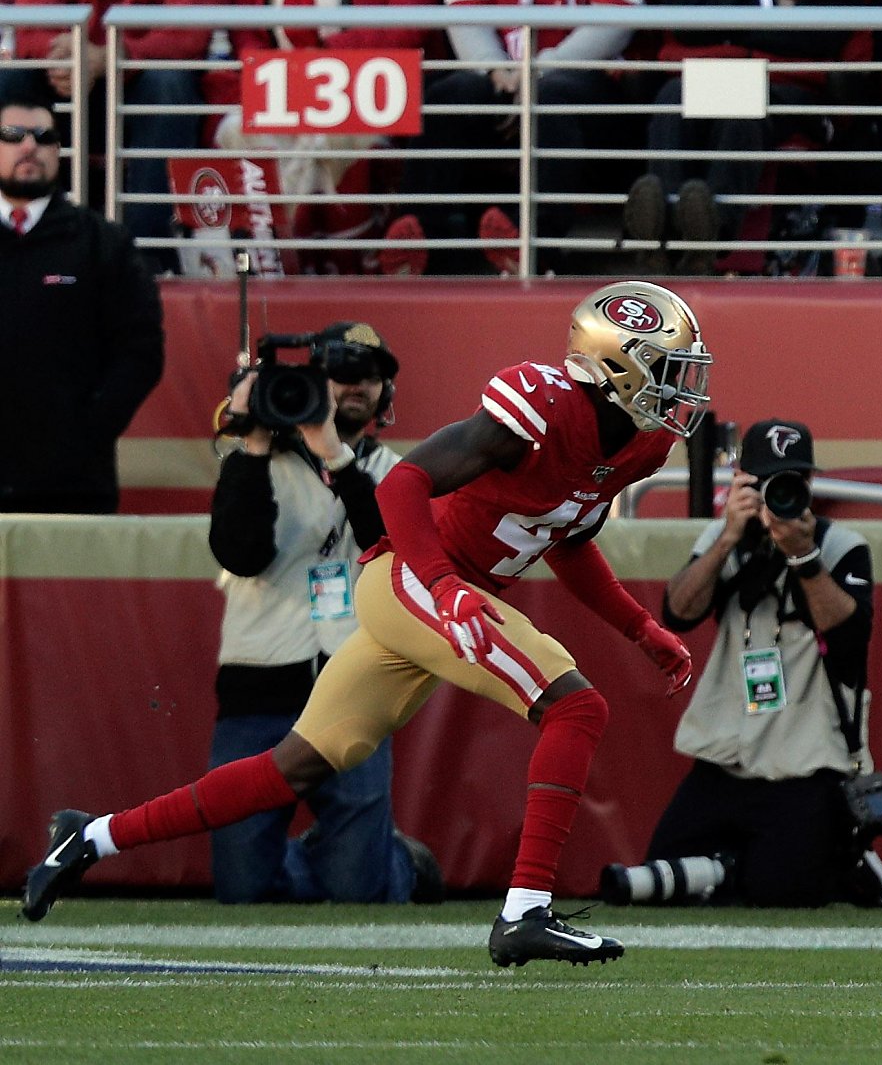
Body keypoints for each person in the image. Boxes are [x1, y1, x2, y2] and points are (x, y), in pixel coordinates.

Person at [23, 281, 713, 969]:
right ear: (613, 365)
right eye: (668, 367)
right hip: (415, 580)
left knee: (288, 767)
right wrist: (444, 590)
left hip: (437, 595)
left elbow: (566, 538)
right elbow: (400, 484)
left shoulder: (639, 445)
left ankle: (89, 836)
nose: (682, 386)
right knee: (577, 707)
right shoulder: (537, 406)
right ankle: (525, 912)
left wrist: (639, 626)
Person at [599, 418, 882, 909]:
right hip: (727, 760)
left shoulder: (841, 545)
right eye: (765, 483)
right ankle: (735, 868)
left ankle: (844, 865)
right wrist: (729, 537)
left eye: (791, 482)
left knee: (781, 893)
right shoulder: (723, 539)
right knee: (663, 871)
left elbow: (850, 636)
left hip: (806, 762)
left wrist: (803, 556)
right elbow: (679, 612)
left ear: (810, 484)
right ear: (740, 483)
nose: (779, 494)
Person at [207, 321, 442, 904]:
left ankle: (394, 864)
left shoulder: (398, 473)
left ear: (386, 393)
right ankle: (346, 850)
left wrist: (335, 455)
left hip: (353, 686)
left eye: (368, 376)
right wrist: (255, 440)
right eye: (338, 375)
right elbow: (242, 554)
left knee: (358, 896)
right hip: (259, 681)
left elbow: (389, 551)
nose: (353, 387)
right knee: (242, 889)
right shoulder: (251, 463)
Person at [381, 0, 654, 274]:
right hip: (503, 69)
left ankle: (530, 246)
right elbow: (465, 5)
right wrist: (495, 68)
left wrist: (535, 71)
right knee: (452, 95)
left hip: (591, 76)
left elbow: (614, 21)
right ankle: (416, 240)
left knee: (554, 97)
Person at [620, 0, 871, 273]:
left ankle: (707, 230)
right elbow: (679, 16)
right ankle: (662, 224)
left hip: (795, 86)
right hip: (707, 75)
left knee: (741, 104)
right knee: (674, 95)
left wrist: (716, 11)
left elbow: (817, 34)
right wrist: (768, 6)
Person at [215, 0, 441, 267]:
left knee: (329, 134)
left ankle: (346, 260)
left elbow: (409, 26)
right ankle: (280, 256)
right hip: (275, 84)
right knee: (240, 129)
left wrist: (321, 62)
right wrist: (286, 76)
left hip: (368, 88)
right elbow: (244, 27)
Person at [3, 0, 229, 251]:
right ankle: (18, 239)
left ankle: (146, 252)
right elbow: (32, 31)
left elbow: (190, 33)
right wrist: (74, 58)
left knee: (169, 85)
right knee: (11, 81)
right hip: (68, 84)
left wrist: (108, 58)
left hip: (143, 85)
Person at [0, 93, 165, 514]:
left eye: (43, 136)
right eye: (13, 135)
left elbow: (141, 351)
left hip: (73, 487)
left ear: (59, 150)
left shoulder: (103, 243)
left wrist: (86, 431)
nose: (29, 146)